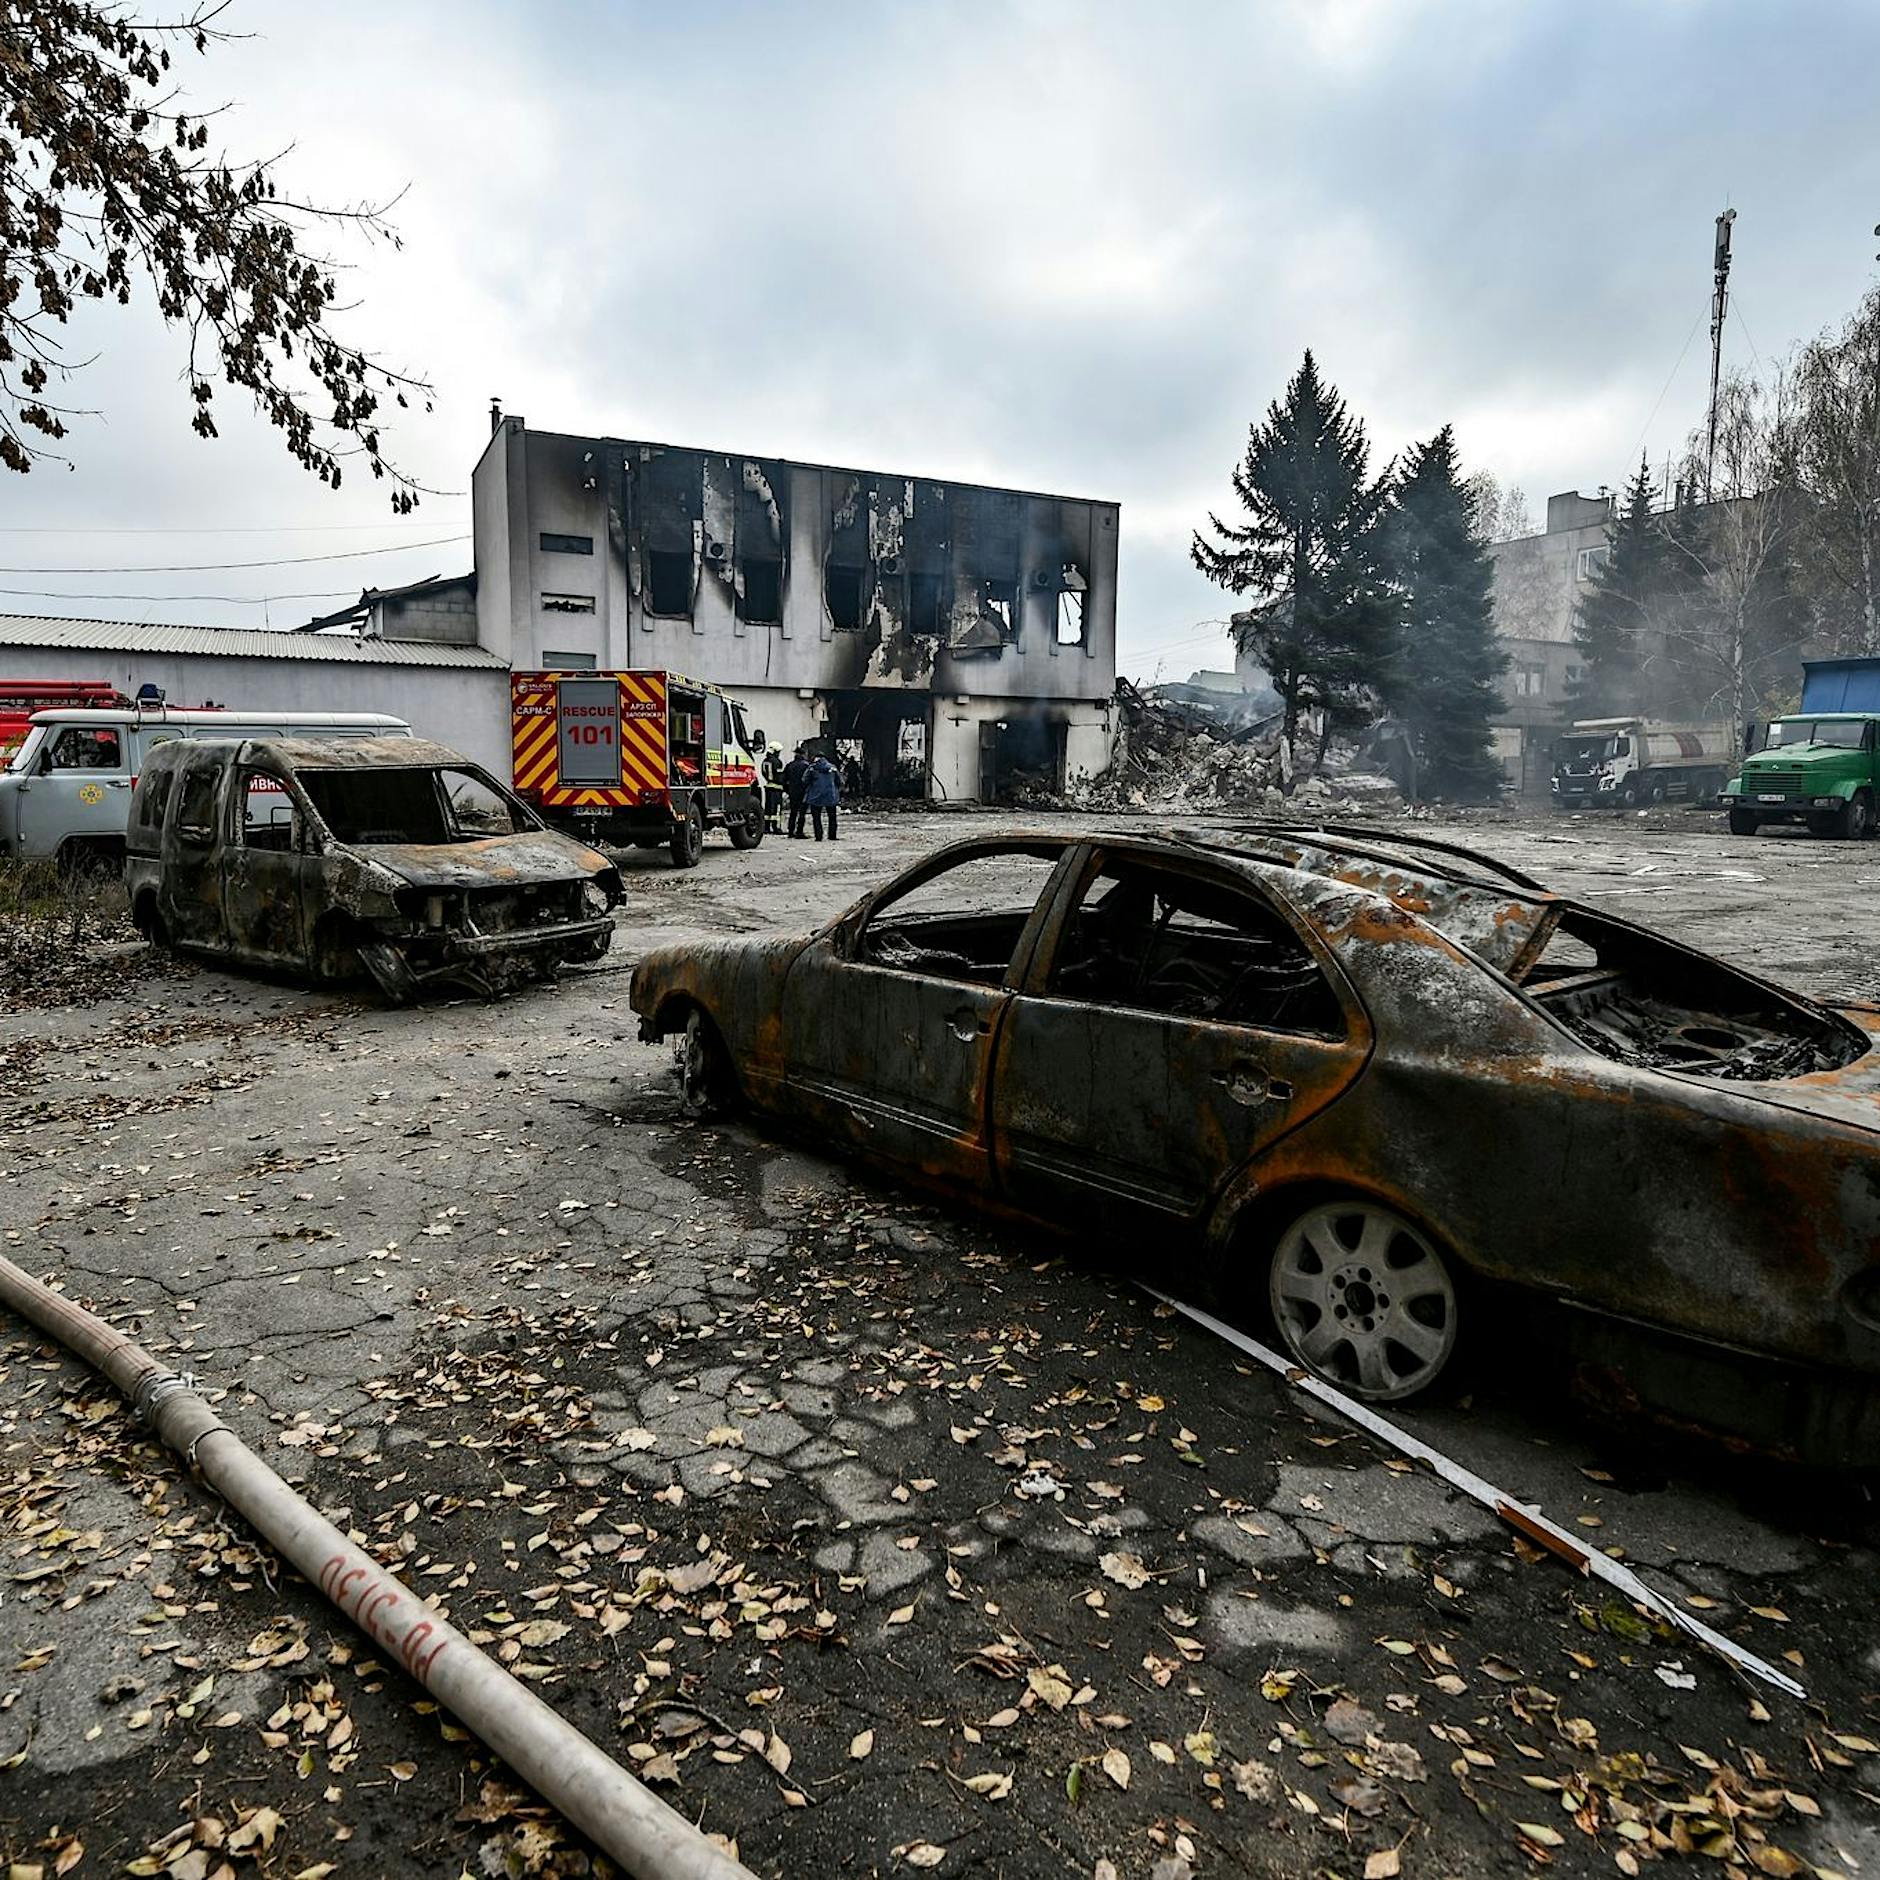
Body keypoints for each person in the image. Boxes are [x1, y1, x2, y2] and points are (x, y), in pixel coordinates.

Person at [805, 751, 840, 841]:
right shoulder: (832, 767)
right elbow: (839, 781)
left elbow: (805, 780)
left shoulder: (812, 768)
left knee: (816, 817)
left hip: (815, 795)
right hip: (830, 795)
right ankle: (832, 835)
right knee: (832, 817)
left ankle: (818, 836)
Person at [782, 746, 811, 839]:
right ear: (803, 754)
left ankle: (790, 831)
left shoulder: (790, 765)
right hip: (803, 792)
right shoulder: (806, 765)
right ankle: (799, 831)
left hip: (793, 792)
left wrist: (788, 790)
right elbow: (809, 780)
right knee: (802, 813)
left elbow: (784, 779)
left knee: (793, 812)